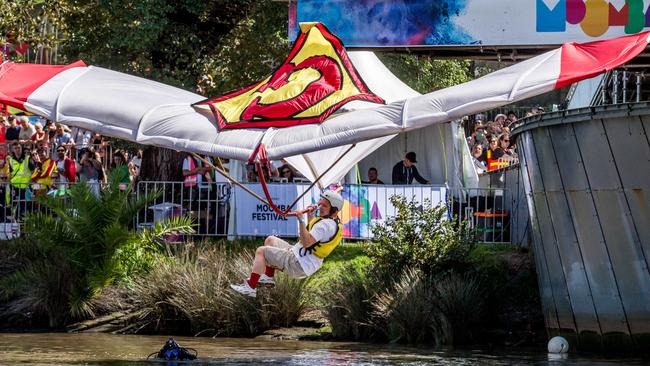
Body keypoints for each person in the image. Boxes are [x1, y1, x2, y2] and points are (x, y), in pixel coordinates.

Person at [230, 190, 344, 297]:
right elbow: (312, 236)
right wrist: (310, 217)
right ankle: (268, 277)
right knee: (270, 240)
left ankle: (250, 286)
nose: (321, 208)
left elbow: (306, 243)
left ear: (334, 211)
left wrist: (301, 220)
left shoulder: (324, 225)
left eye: (325, 206)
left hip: (299, 263)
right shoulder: (331, 223)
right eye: (321, 204)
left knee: (261, 251)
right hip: (302, 258)